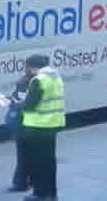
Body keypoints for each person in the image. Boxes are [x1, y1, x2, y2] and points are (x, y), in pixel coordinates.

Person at [21, 54, 65, 201]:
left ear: (32, 66)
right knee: (49, 162)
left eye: (27, 67)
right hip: (52, 124)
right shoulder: (55, 77)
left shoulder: (38, 80)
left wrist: (18, 104)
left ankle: (39, 194)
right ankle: (51, 194)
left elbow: (30, 105)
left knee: (37, 162)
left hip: (37, 126)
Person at [7, 74, 33, 193]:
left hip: (25, 125)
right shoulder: (27, 81)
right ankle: (31, 180)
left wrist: (15, 103)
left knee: (23, 155)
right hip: (31, 125)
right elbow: (15, 96)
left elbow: (24, 102)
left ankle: (21, 183)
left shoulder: (31, 83)